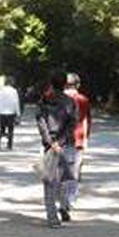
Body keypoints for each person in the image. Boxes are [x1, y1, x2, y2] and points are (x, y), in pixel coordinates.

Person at [36, 71, 78, 227]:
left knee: (49, 181)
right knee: (66, 179)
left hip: (49, 146)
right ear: (65, 84)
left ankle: (52, 218)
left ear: (51, 84)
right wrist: (61, 141)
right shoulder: (69, 102)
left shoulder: (43, 101)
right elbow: (73, 124)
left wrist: (50, 142)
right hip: (66, 145)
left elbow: (41, 124)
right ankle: (64, 207)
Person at [63, 72, 91, 212]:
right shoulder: (83, 99)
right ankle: (70, 199)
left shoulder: (56, 98)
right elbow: (86, 121)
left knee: (59, 170)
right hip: (77, 140)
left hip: (59, 140)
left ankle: (60, 199)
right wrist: (86, 139)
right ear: (78, 85)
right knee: (74, 172)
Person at [0, 75, 20, 150]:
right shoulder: (14, 91)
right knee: (11, 129)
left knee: (2, 128)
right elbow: (16, 102)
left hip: (2, 112)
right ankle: (9, 145)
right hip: (11, 112)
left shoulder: (1, 91)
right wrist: (18, 113)